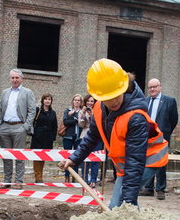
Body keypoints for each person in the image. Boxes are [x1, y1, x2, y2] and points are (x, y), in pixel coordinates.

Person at [59, 59, 168, 209]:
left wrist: (127, 202)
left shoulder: (136, 117)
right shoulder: (99, 109)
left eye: (117, 95)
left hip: (149, 158)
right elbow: (91, 137)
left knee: (121, 203)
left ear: (123, 87)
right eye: (107, 98)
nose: (114, 101)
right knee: (121, 204)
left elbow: (135, 161)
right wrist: (74, 159)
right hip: (126, 164)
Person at [140, 78, 178, 200]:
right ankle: (148, 188)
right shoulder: (145, 101)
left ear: (159, 87)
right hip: (147, 137)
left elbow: (174, 119)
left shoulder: (169, 101)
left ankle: (160, 189)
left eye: (154, 87)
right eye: (150, 87)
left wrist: (166, 132)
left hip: (161, 137)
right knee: (148, 162)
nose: (152, 89)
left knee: (160, 163)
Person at [0, 68, 36, 189]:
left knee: (19, 156)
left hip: (20, 127)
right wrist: (0, 124)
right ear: (10, 79)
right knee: (6, 156)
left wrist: (25, 127)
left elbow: (32, 110)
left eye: (17, 77)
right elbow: (0, 109)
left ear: (21, 79)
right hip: (5, 127)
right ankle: (7, 180)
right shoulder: (5, 92)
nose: (14, 80)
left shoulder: (27, 92)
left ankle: (19, 181)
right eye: (12, 77)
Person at [31, 93, 58, 182]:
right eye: (46, 99)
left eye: (49, 99)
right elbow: (32, 122)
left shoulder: (53, 113)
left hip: (48, 138)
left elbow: (55, 126)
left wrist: (53, 137)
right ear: (42, 100)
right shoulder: (37, 110)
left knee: (43, 157)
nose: (47, 101)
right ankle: (38, 177)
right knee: (36, 156)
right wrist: (34, 133)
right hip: (37, 137)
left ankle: (40, 175)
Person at [78, 94, 102, 187]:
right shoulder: (82, 111)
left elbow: (97, 124)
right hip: (85, 135)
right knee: (85, 159)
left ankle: (93, 180)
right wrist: (83, 114)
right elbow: (81, 125)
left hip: (96, 136)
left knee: (95, 160)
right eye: (88, 101)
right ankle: (84, 179)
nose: (90, 103)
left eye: (92, 101)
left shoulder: (98, 111)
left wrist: (92, 115)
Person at [62, 94, 83, 182]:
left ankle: (75, 176)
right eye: (75, 100)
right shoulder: (68, 111)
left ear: (81, 102)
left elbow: (84, 123)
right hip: (68, 136)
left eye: (78, 100)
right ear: (73, 101)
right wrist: (74, 119)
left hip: (78, 137)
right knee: (67, 156)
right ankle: (67, 176)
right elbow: (66, 122)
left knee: (76, 157)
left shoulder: (82, 112)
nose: (77, 102)